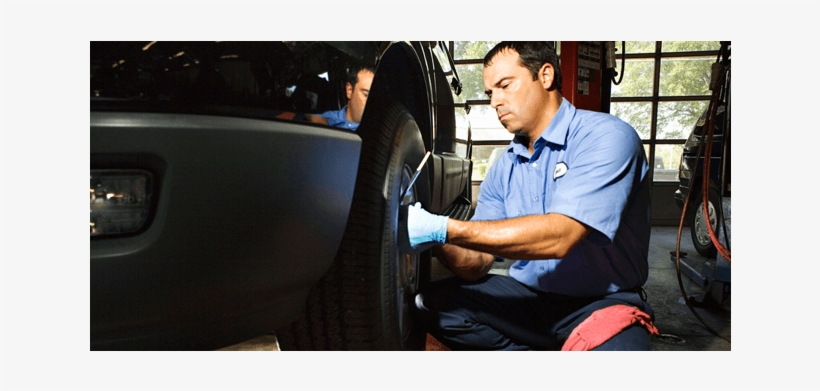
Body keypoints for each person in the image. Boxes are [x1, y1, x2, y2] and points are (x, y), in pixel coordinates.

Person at [400, 41, 656, 350]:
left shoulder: (606, 137)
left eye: (504, 86)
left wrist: (446, 228)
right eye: (489, 93)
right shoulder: (503, 168)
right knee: (432, 303)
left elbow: (560, 237)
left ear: (545, 76)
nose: (495, 101)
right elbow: (477, 264)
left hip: (600, 304)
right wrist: (436, 237)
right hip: (528, 300)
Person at [319, 65, 375, 131]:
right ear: (349, 90)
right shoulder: (323, 122)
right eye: (366, 95)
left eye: (376, 98)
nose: (372, 103)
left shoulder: (383, 130)